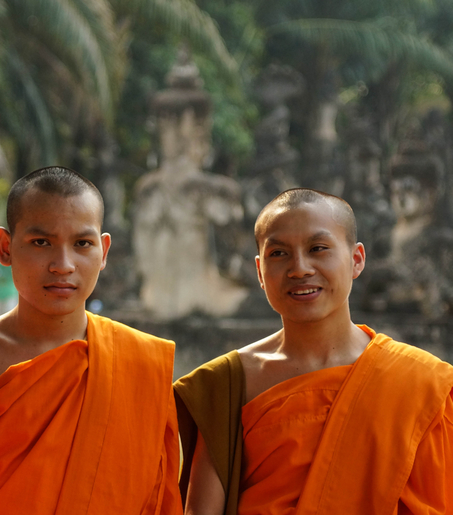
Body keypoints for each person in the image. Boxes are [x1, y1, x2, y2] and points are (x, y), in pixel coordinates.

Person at [0, 166, 181, 515]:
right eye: (41, 243)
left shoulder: (142, 364)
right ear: (5, 248)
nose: (63, 264)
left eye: (82, 244)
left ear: (104, 250)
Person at [175, 188, 453, 514]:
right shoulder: (225, 384)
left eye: (318, 248)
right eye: (278, 254)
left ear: (356, 259)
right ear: (259, 271)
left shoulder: (422, 384)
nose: (300, 269)